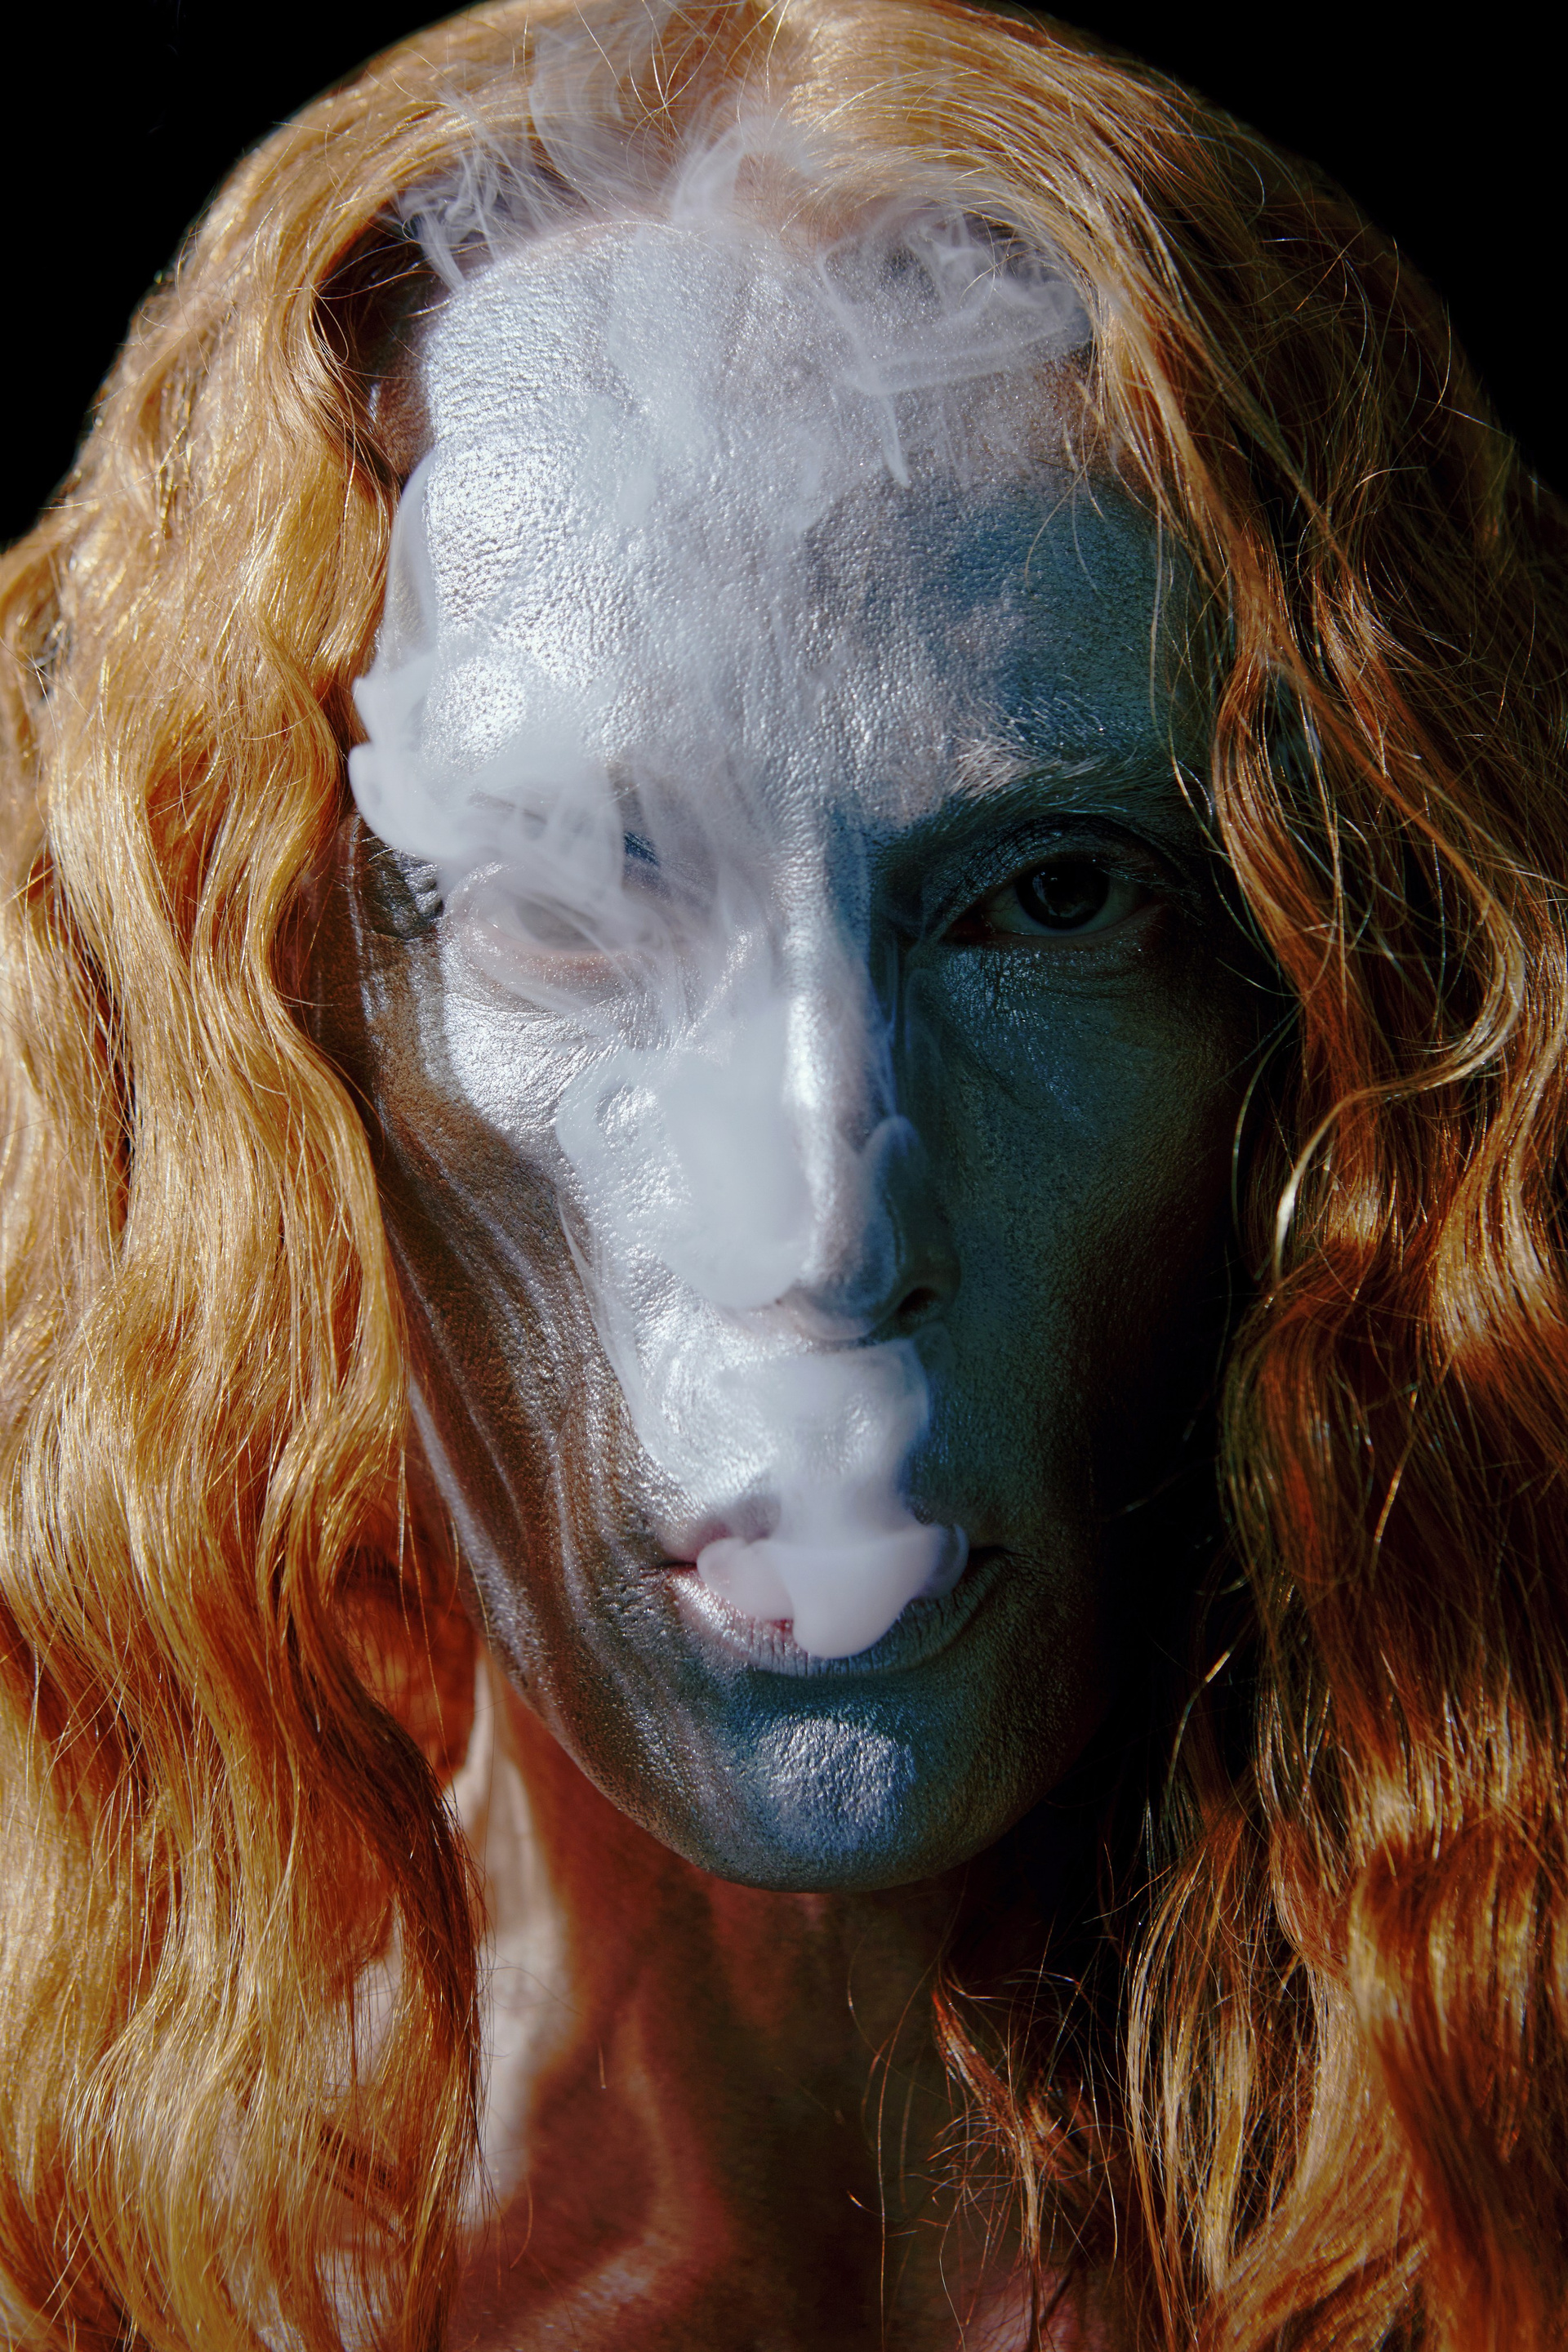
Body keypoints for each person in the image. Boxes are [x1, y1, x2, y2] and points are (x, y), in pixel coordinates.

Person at [2, 2, 1564, 2346]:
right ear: (267, 1011)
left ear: (1333, 999)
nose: (823, 1232)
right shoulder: (109, 2249)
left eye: (1051, 901)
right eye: (558, 910)